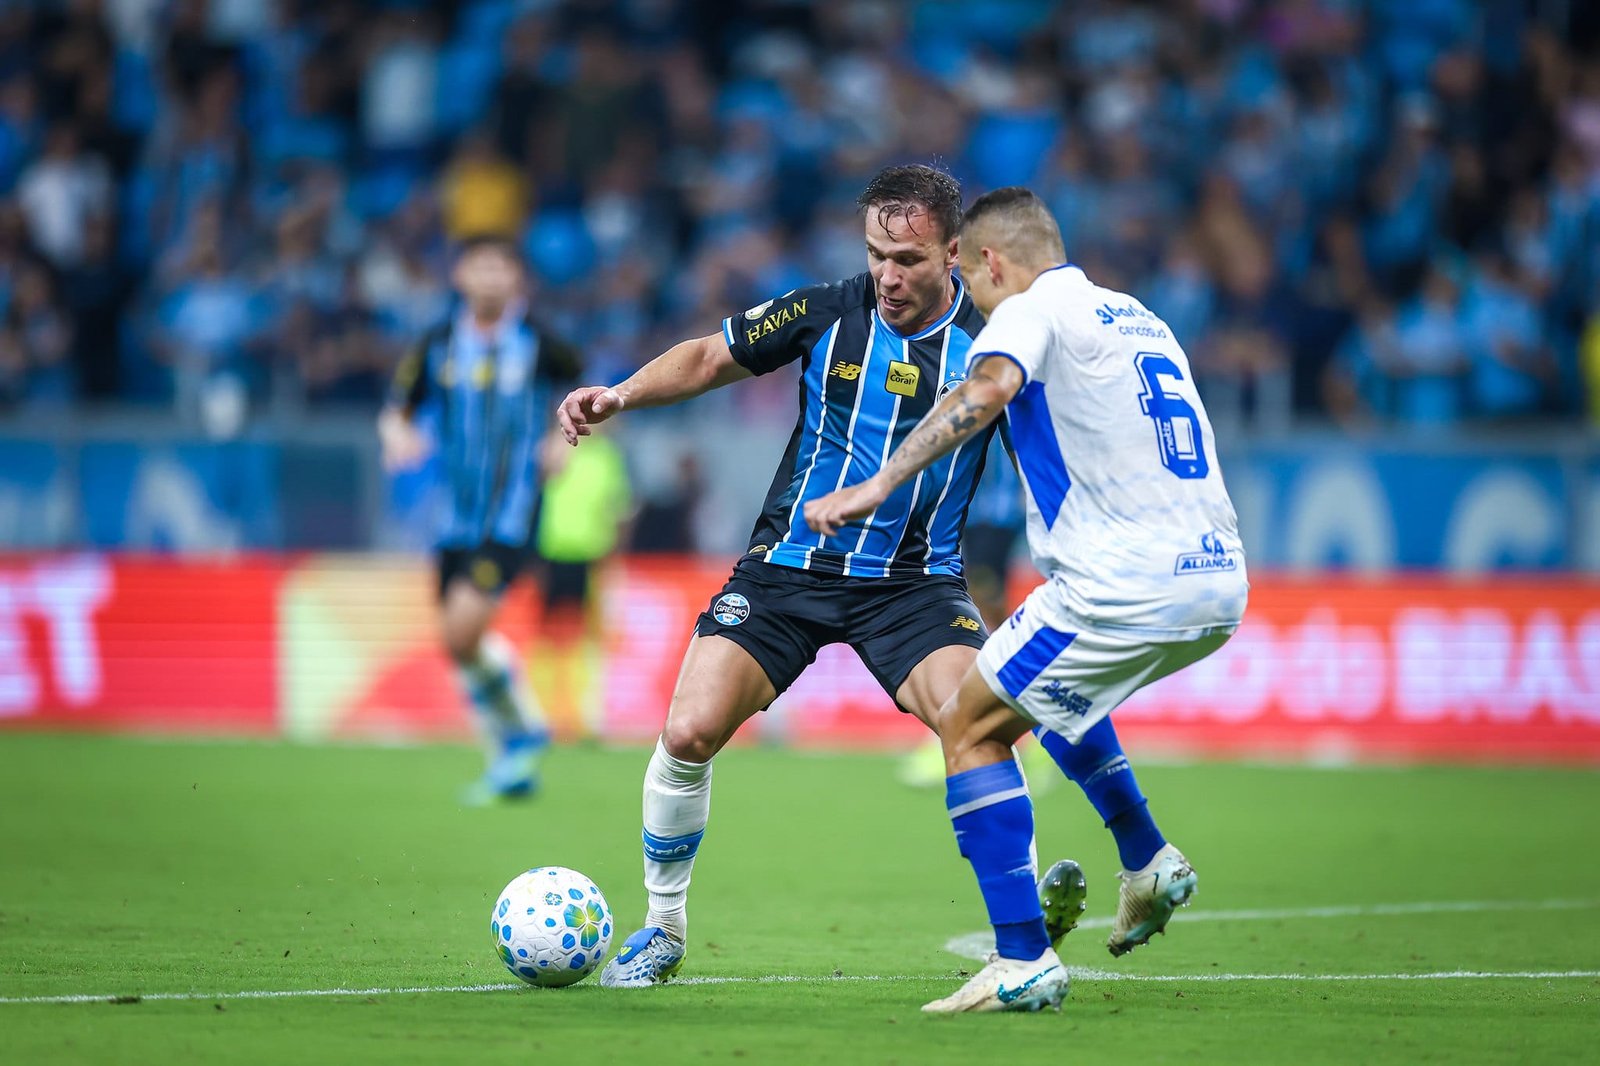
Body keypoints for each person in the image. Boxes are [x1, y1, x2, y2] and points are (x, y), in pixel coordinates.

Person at [556, 164, 1085, 988]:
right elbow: (708, 357)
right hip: (787, 571)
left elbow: (1049, 457)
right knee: (687, 733)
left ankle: (1019, 925)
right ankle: (662, 927)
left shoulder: (998, 343)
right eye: (876, 254)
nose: (887, 275)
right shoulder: (826, 312)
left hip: (914, 585)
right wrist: (618, 396)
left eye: (908, 259)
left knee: (980, 725)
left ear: (954, 253)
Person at [806, 187, 1249, 1013]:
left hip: (1119, 584)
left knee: (969, 725)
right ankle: (1146, 856)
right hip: (1218, 579)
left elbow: (989, 389)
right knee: (1033, 690)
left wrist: (881, 480)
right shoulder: (1141, 318)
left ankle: (1021, 958)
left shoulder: (1026, 312)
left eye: (972, 283)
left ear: (991, 263)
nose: (973, 301)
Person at [378, 234, 582, 804]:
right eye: (480, 266)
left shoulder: (542, 344)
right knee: (458, 641)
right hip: (454, 518)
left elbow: (589, 398)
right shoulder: (438, 344)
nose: (490, 277)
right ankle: (513, 749)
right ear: (460, 276)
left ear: (517, 279)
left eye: (500, 267)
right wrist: (397, 435)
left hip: (512, 514)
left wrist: (561, 442)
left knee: (464, 629)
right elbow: (396, 409)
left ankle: (521, 731)